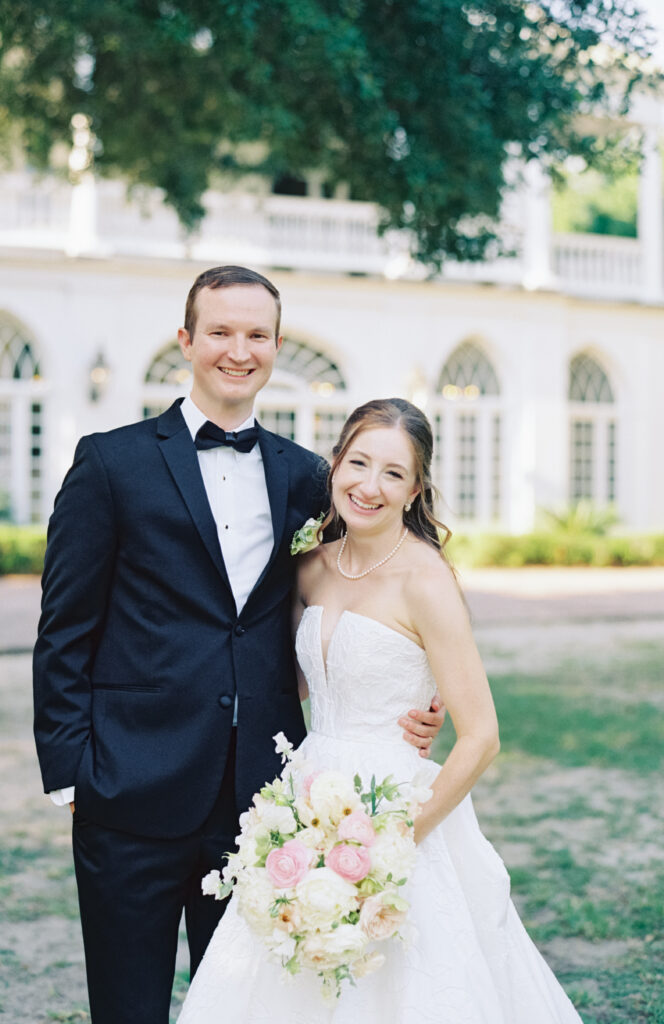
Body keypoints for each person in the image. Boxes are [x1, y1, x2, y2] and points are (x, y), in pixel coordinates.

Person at [32, 267, 445, 1024]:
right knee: (128, 1010)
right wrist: (72, 774)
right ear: (186, 341)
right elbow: (63, 628)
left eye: (257, 334)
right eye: (220, 331)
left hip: (265, 804)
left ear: (277, 347)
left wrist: (424, 688)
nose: (238, 349)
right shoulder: (109, 462)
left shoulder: (305, 477)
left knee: (250, 1010)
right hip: (128, 790)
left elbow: (381, 571)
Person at [177, 397, 584, 1023]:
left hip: (394, 808)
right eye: (358, 462)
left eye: (393, 473)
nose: (369, 486)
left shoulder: (425, 581)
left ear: (415, 487)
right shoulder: (310, 568)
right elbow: (297, 687)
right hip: (308, 798)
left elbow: (482, 737)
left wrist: (395, 842)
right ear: (335, 464)